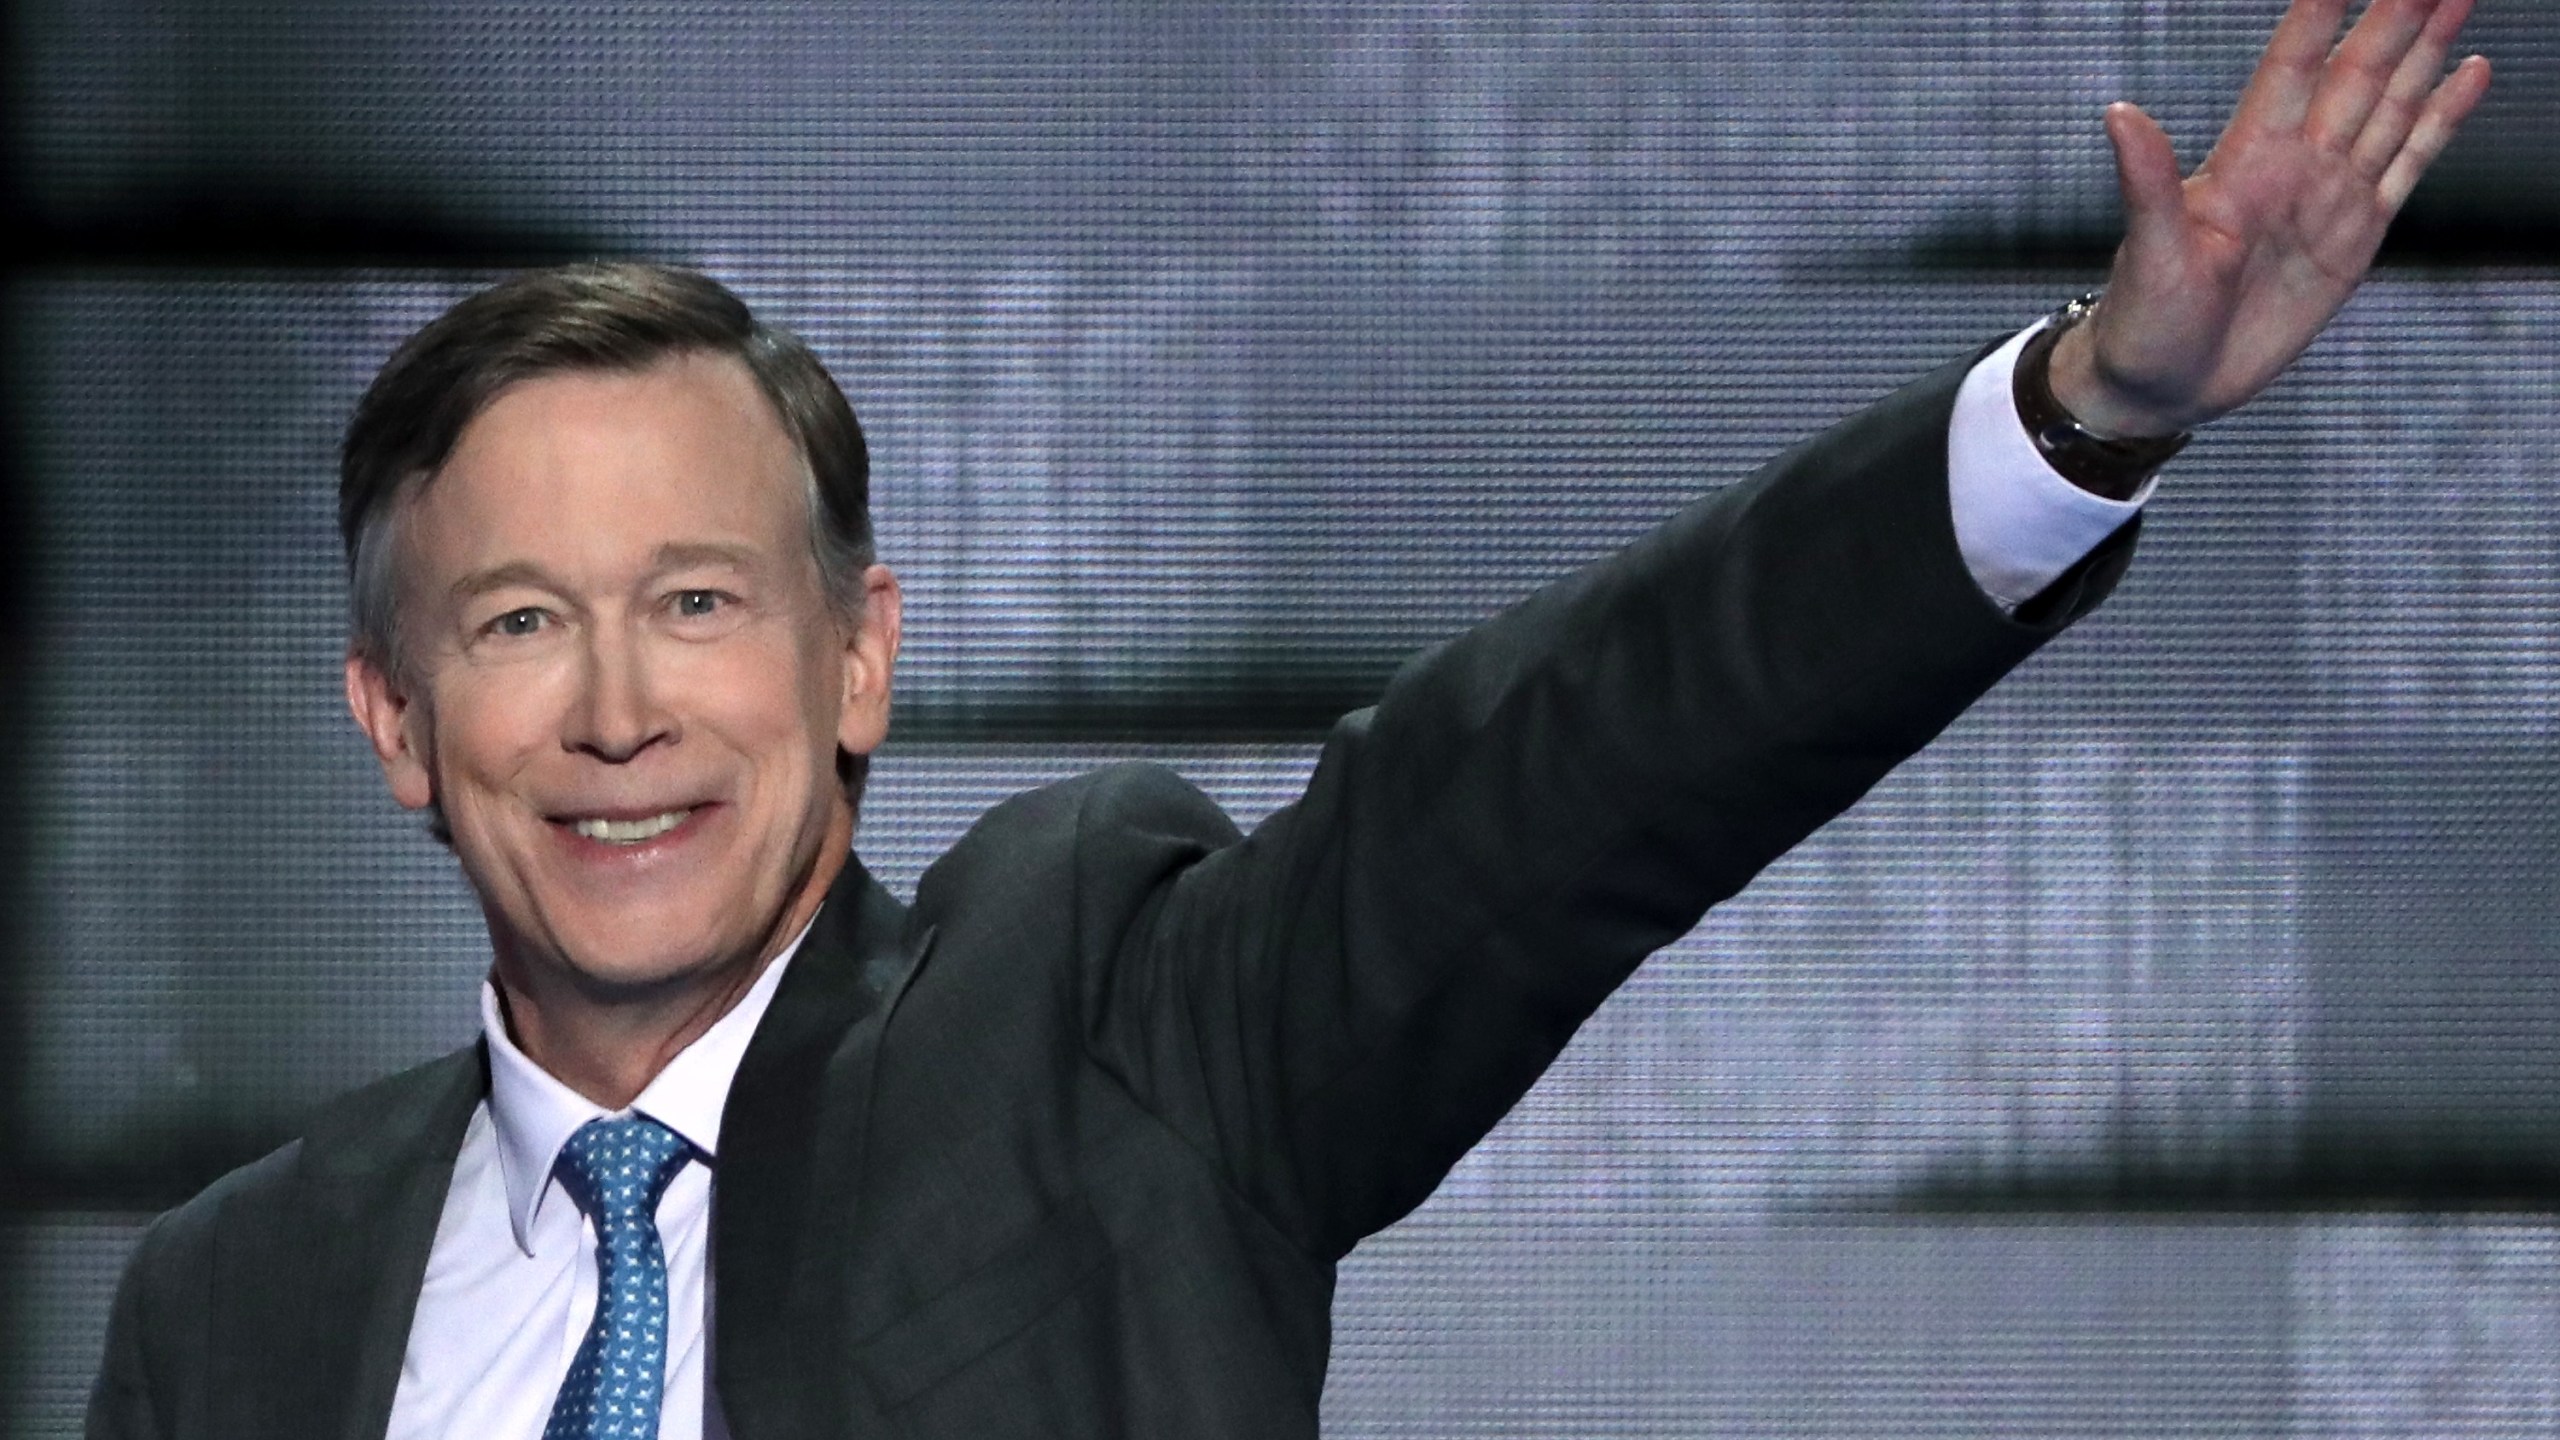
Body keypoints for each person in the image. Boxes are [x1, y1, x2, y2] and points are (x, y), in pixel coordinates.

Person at [84, 1, 2489, 1436]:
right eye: (517, 626)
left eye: (695, 601)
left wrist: (2079, 410)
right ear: (393, 723)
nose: (618, 710)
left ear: (856, 663)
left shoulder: (1107, 1025)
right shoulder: (236, 1296)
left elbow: (1575, 761)